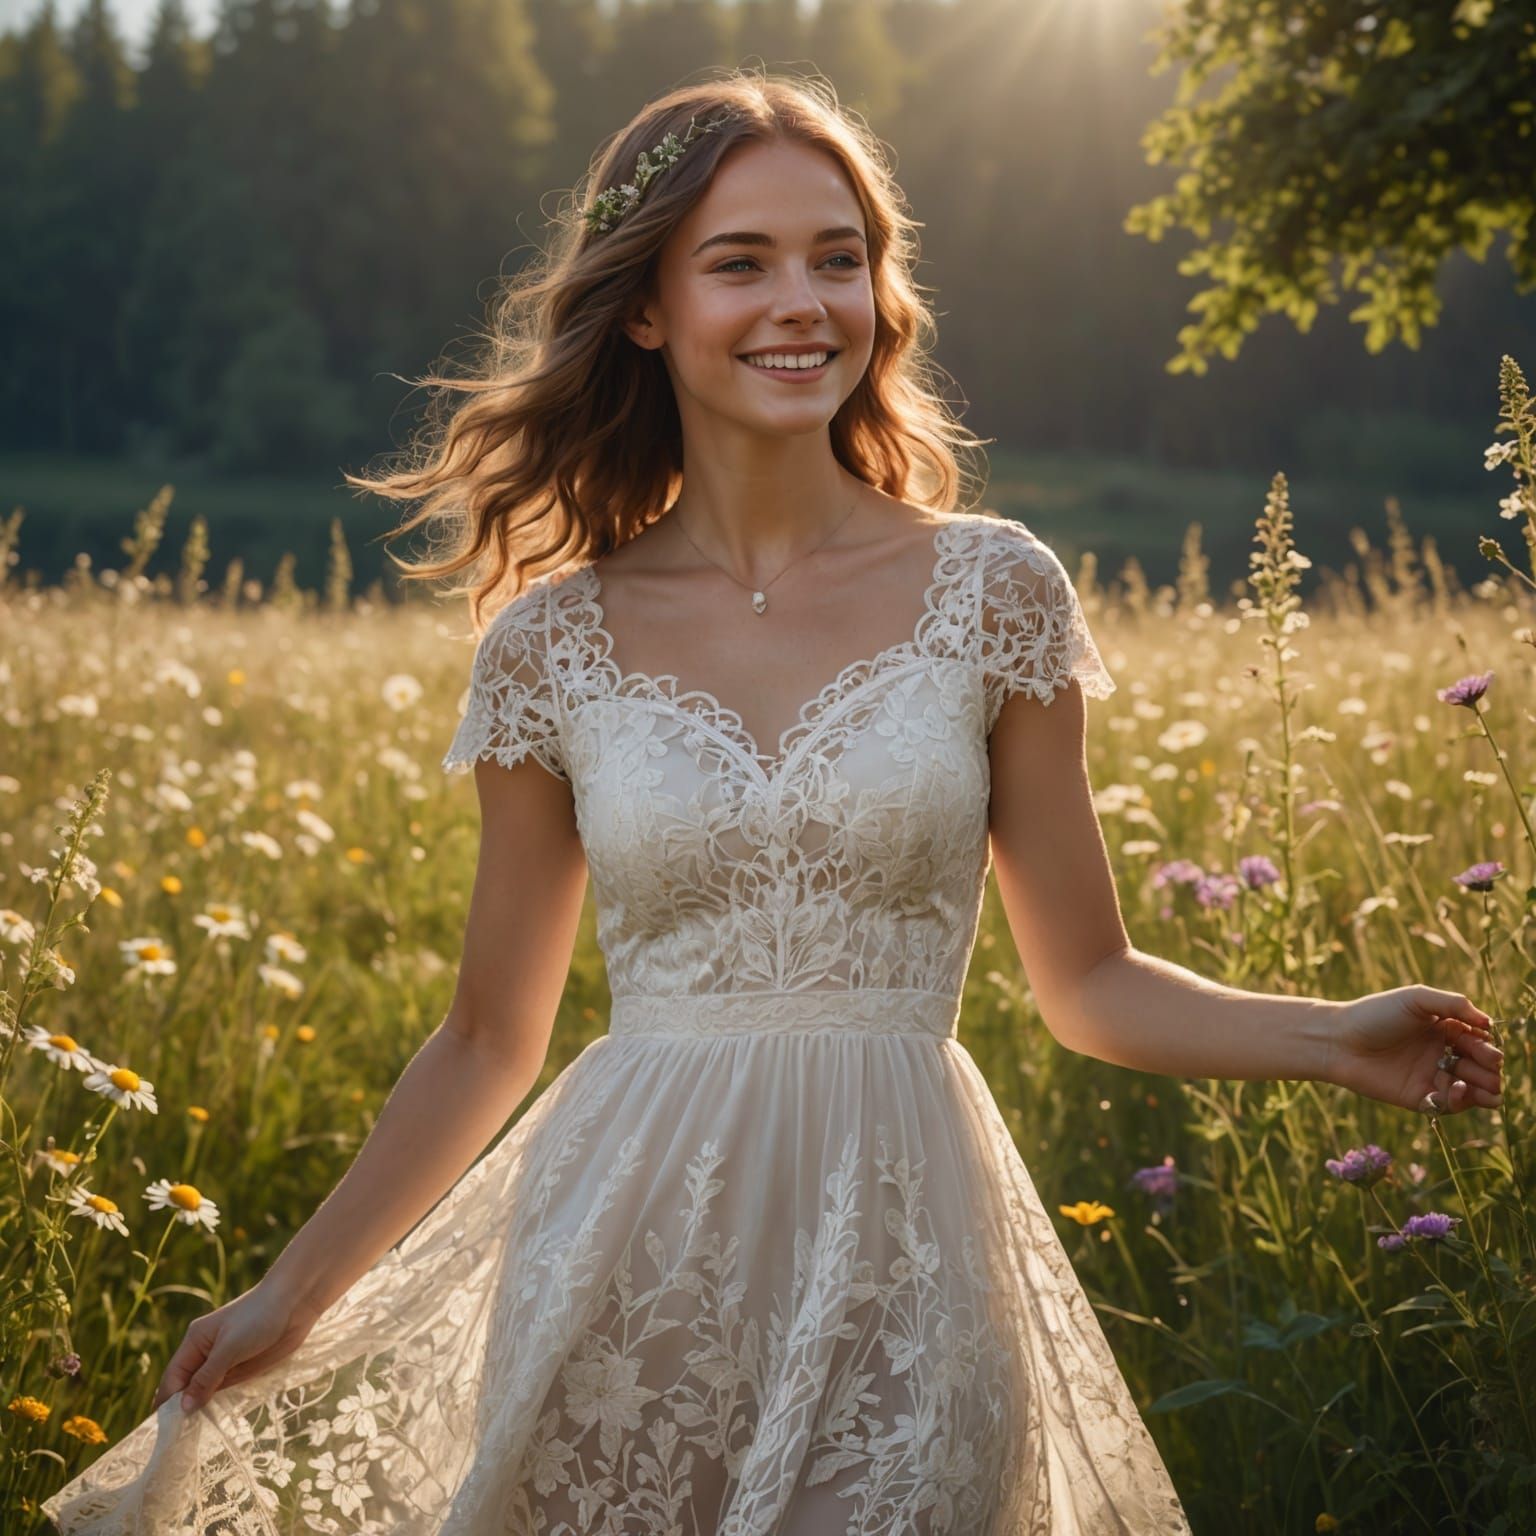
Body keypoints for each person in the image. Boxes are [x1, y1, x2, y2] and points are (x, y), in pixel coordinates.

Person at [44, 69, 1503, 1536]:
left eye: (839, 256)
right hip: (626, 1277)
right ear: (645, 308)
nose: (803, 301)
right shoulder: (549, 648)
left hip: (908, 1267)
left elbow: (1092, 981)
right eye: (740, 263)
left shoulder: (996, 591)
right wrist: (294, 1291)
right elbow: (491, 1036)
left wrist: (1331, 1037)